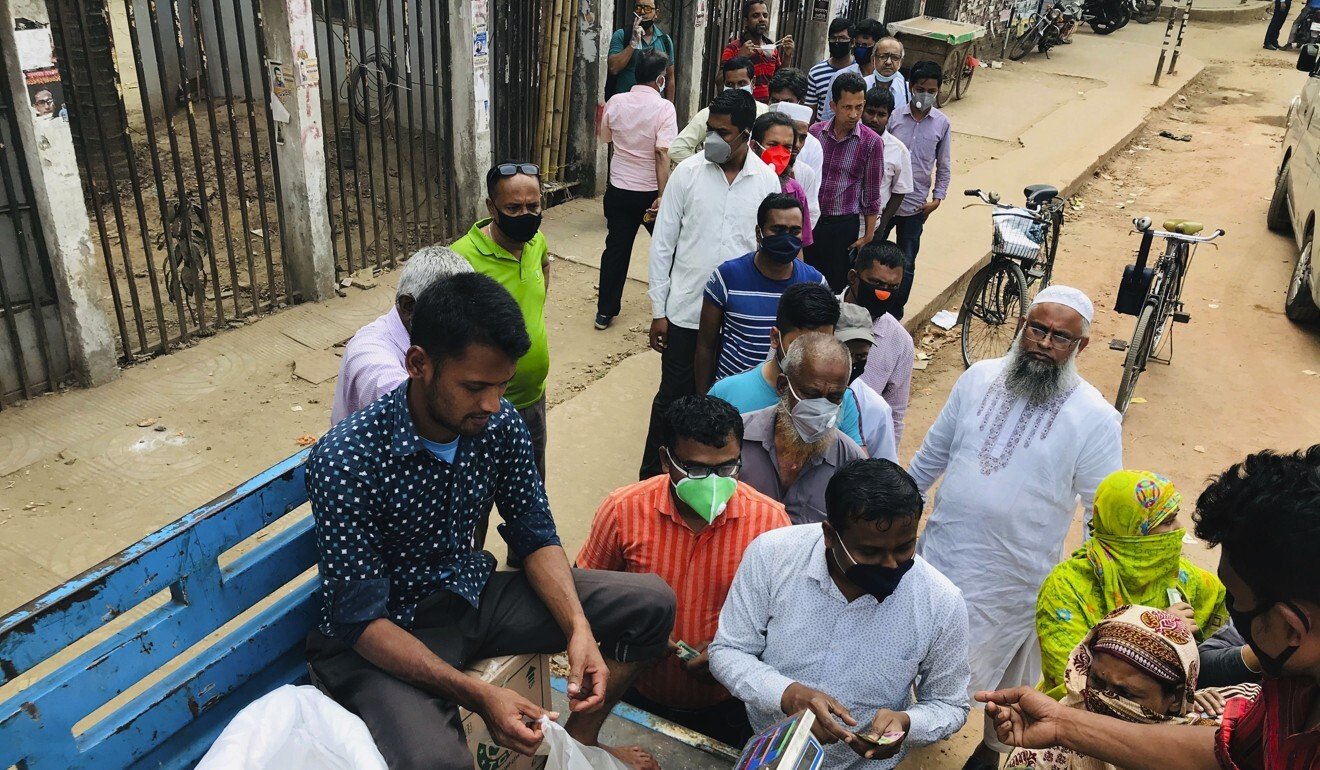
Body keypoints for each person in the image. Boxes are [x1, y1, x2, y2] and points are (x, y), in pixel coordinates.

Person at [305, 272, 676, 770]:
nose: (493, 404)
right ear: (418, 364)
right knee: (438, 764)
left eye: (503, 385)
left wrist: (578, 629)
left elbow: (534, 531)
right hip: (381, 636)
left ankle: (579, 745)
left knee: (650, 603)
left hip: (469, 597)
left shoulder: (497, 424)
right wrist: (478, 695)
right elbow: (359, 621)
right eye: (475, 386)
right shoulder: (348, 458)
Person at [977, 445, 1320, 770]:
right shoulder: (1287, 694)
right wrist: (1062, 723)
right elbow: (1228, 750)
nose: (1231, 616)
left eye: (1236, 600)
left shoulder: (1188, 582)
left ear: (1291, 628)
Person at [907, 286, 1123, 770]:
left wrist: (1090, 588)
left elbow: (1098, 514)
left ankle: (989, 751)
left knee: (995, 671)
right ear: (1023, 326)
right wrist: (895, 515)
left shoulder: (1095, 418)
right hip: (941, 551)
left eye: (1061, 337)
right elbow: (930, 458)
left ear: (1081, 347)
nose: (1045, 343)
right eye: (1037, 329)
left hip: (1014, 576)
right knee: (915, 650)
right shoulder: (978, 378)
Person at [709, 458, 971, 770]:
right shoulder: (772, 555)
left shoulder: (941, 602)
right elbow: (728, 651)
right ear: (830, 535)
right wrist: (788, 695)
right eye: (870, 552)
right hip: (765, 747)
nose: (890, 564)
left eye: (904, 547)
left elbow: (950, 704)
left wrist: (906, 723)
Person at [577, 395, 791, 746]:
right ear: (665, 460)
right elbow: (583, 598)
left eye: (726, 469)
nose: (711, 482)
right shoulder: (622, 512)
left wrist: (731, 655)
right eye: (694, 469)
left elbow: (782, 620)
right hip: (633, 693)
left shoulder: (769, 523)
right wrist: (641, 637)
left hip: (727, 704)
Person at [642, 89, 781, 480]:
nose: (713, 141)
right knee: (673, 400)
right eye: (710, 131)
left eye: (723, 132)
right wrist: (659, 311)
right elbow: (663, 243)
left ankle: (713, 478)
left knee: (728, 405)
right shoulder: (687, 174)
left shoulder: (766, 181)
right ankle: (653, 480)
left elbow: (768, 249)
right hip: (685, 312)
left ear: (747, 135)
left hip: (737, 322)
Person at [1037, 470, 1230, 699]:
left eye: (1175, 517)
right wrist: (1156, 633)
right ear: (1130, 531)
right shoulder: (1067, 588)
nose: (1179, 529)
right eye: (1167, 522)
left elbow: (1229, 618)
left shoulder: (1178, 576)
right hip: (1078, 723)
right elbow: (1071, 681)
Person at [1006, 605, 1259, 770]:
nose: (1103, 699)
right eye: (1096, 681)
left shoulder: (1210, 743)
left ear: (1176, 698)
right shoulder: (1045, 744)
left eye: (1125, 694)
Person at [451, 162, 552, 479]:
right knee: (475, 505)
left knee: (531, 499)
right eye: (513, 207)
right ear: (491, 208)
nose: (526, 215)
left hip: (533, 401)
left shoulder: (537, 243)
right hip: (483, 411)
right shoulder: (462, 259)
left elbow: (545, 265)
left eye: (533, 206)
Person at [695, 192, 825, 391]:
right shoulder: (727, 277)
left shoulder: (816, 284)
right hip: (733, 396)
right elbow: (706, 346)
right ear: (759, 233)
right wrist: (704, 399)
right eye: (777, 230)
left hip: (789, 398)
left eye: (794, 231)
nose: (786, 238)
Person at [331, 245, 473, 426]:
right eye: (450, 313)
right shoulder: (370, 355)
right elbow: (414, 412)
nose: (463, 324)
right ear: (409, 307)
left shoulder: (433, 339)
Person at [709, 282, 864, 446]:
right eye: (799, 345)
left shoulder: (842, 400)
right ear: (775, 338)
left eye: (822, 343)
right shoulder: (727, 393)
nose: (810, 358)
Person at [736, 332, 866, 524]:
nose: (821, 407)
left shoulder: (850, 463)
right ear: (782, 386)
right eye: (811, 394)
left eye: (834, 397)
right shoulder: (736, 440)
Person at [596, 50, 678, 331]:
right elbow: (661, 153)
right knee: (668, 249)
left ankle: (605, 312)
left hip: (619, 189)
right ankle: (673, 304)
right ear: (660, 79)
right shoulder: (665, 108)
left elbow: (605, 138)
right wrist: (663, 195)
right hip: (649, 194)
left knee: (616, 249)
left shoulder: (616, 102)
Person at [886, 60, 952, 319]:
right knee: (874, 253)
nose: (926, 95)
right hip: (887, 201)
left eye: (932, 91)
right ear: (911, 87)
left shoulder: (942, 124)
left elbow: (944, 164)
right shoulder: (895, 117)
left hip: (915, 206)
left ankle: (895, 312)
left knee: (908, 262)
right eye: (921, 88)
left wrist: (937, 199)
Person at [807, 72, 884, 292]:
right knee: (804, 280)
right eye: (847, 107)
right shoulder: (814, 134)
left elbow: (871, 194)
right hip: (811, 221)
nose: (854, 114)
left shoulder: (871, 143)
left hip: (842, 227)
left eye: (859, 107)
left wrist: (868, 236)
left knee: (834, 287)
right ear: (833, 105)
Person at [842, 240, 914, 445]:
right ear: (853, 277)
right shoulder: (819, 317)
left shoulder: (900, 342)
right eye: (876, 284)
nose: (883, 293)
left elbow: (895, 416)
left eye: (893, 287)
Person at [669, 57, 769, 165]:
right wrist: (705, 167)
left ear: (753, 82)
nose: (736, 89)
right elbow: (677, 149)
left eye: (741, 83)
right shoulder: (709, 114)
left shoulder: (765, 113)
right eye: (730, 84)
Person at [835, 302, 898, 463]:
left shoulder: (876, 409)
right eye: (844, 353)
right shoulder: (798, 390)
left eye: (861, 356)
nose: (851, 363)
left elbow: (884, 470)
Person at [750, 112, 817, 246]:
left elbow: (799, 246)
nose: (780, 153)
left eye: (787, 147)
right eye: (773, 145)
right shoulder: (739, 184)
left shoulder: (794, 191)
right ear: (755, 146)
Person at [766, 67, 824, 221]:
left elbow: (811, 209)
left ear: (800, 102)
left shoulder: (813, 147)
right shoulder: (756, 134)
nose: (780, 107)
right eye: (775, 101)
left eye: (787, 102)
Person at [862, 87, 913, 238]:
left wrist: (881, 226)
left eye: (882, 114)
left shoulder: (898, 150)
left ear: (889, 116)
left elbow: (900, 191)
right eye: (870, 112)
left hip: (874, 224)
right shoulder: (849, 140)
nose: (874, 119)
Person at [722, 0, 794, 102]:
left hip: (766, 109)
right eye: (756, 16)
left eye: (765, 15)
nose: (762, 19)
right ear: (746, 21)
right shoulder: (734, 48)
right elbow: (720, 80)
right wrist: (740, 58)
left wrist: (787, 56)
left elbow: (780, 79)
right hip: (742, 107)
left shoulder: (772, 48)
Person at [606, 0, 676, 98]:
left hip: (653, 107)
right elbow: (613, 68)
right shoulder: (622, 35)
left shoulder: (665, 40)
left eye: (647, 9)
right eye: (639, 8)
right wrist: (632, 44)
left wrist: (669, 107)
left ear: (656, 13)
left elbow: (670, 78)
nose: (642, 12)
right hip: (625, 104)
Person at [807, 17, 856, 124]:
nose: (837, 42)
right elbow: (811, 112)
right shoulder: (816, 72)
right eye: (833, 38)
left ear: (852, 42)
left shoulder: (859, 71)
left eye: (842, 38)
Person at [870, 36, 909, 108]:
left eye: (895, 58)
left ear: (901, 62)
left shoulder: (908, 90)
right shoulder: (862, 85)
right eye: (883, 56)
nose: (888, 62)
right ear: (873, 59)